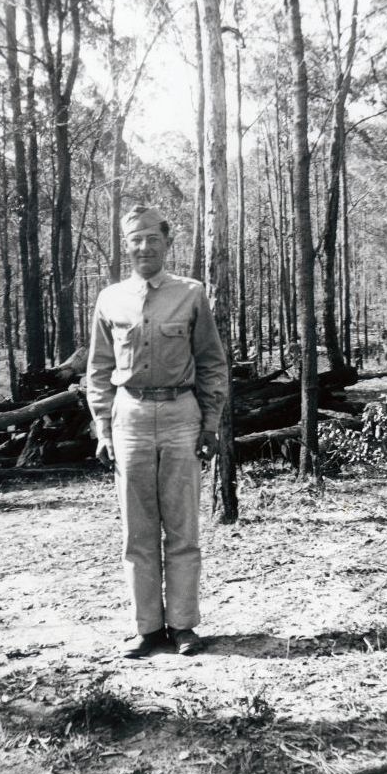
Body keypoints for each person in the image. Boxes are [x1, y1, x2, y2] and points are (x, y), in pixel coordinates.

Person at [86, 205, 228, 658]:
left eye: (152, 239)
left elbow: (210, 362)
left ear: (167, 244)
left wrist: (210, 422)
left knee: (182, 527)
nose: (143, 247)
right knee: (137, 530)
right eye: (135, 240)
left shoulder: (191, 294)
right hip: (129, 417)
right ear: (125, 246)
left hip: (180, 414)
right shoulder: (110, 298)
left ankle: (184, 625)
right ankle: (147, 628)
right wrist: (103, 426)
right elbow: (99, 369)